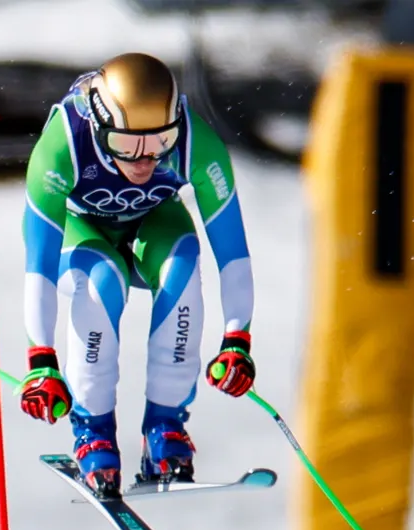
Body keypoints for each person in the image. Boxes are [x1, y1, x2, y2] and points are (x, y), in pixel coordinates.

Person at [16, 52, 257, 499]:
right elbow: (40, 266)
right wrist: (41, 360)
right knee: (102, 281)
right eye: (125, 146)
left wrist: (236, 340)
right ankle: (93, 433)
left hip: (153, 221)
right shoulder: (63, 144)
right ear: (98, 124)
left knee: (182, 265)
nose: (145, 160)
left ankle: (166, 429)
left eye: (160, 141)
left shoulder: (195, 143)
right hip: (81, 230)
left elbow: (233, 255)